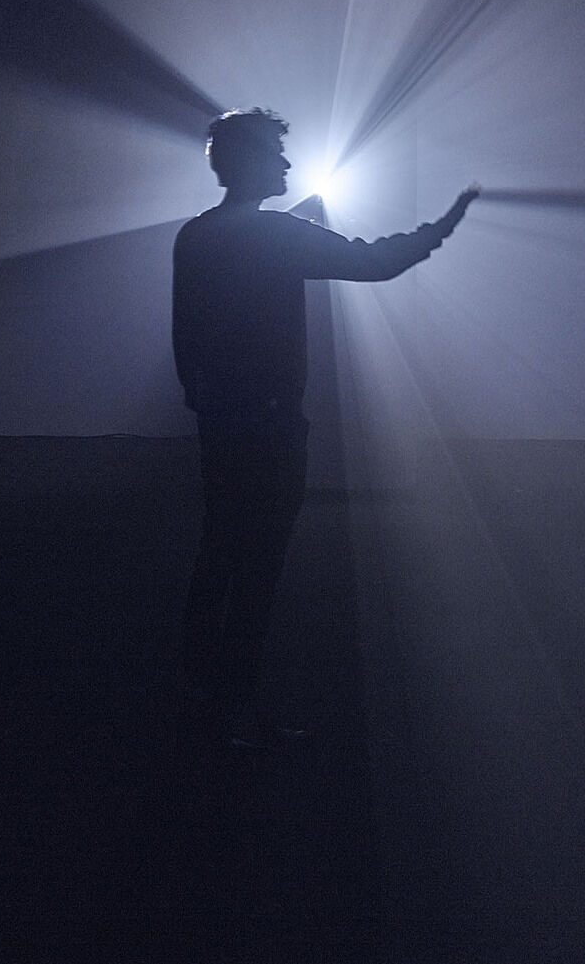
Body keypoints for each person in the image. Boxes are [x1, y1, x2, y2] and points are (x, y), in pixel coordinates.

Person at [172, 107, 478, 751]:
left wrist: (207, 402)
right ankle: (234, 710)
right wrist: (448, 222)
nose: (286, 162)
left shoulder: (195, 236)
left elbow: (187, 337)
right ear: (252, 162)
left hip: (224, 422)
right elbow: (378, 262)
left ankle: (196, 701)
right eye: (276, 153)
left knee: (219, 553)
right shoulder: (277, 235)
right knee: (257, 568)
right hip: (271, 426)